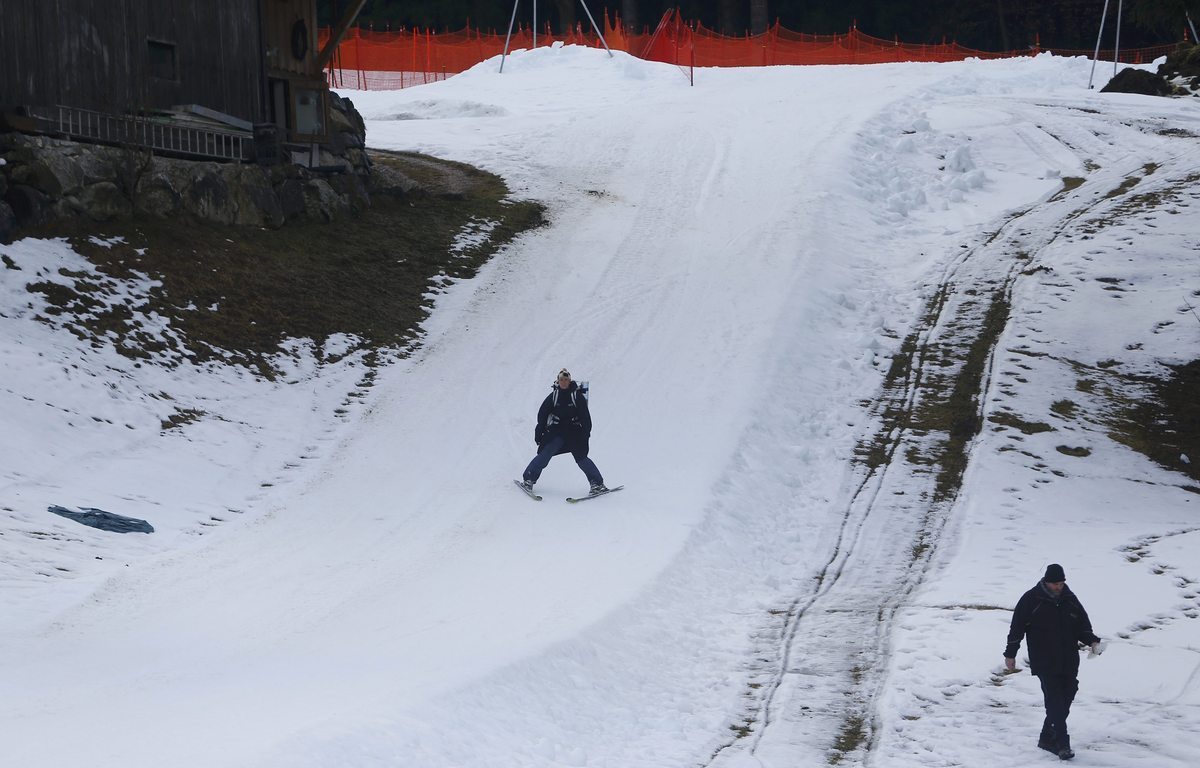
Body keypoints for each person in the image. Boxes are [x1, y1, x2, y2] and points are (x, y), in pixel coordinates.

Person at [1004, 563, 1102, 761]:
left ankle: (1046, 736)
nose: (1060, 587)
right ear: (1046, 582)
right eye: (1056, 583)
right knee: (1055, 699)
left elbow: (1082, 624)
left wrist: (1091, 640)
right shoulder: (1031, 599)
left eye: (1062, 583)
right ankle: (1062, 743)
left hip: (1068, 658)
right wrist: (1011, 653)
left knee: (1069, 692)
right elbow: (1016, 629)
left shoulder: (1070, 599)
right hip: (1044, 659)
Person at [521, 368, 607, 495]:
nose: (564, 382)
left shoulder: (576, 396)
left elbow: (585, 416)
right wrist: (539, 433)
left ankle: (597, 484)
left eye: (566, 380)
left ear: (569, 381)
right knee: (545, 454)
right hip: (557, 432)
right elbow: (542, 415)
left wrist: (586, 433)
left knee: (581, 457)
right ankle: (529, 479)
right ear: (558, 381)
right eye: (561, 380)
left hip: (574, 432)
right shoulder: (554, 396)